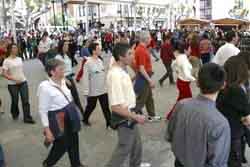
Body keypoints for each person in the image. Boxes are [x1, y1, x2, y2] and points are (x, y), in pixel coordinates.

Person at [167, 63, 231, 167]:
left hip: (178, 162)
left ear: (197, 82)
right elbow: (218, 163)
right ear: (223, 85)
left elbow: (170, 135)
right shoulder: (220, 123)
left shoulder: (181, 104)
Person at [106, 42, 150, 167]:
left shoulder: (121, 70)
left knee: (136, 144)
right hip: (124, 117)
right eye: (130, 54)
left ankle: (136, 164)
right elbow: (115, 107)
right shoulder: (115, 75)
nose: (133, 56)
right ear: (121, 57)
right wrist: (136, 117)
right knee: (124, 148)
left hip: (130, 113)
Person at [37, 59, 86, 167]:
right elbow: (42, 110)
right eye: (61, 69)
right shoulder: (45, 88)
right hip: (58, 117)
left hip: (70, 113)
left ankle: (76, 164)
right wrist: (47, 130)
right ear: (52, 72)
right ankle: (48, 163)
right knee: (62, 144)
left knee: (74, 139)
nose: (64, 71)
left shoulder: (63, 80)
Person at [216, 56, 250, 167]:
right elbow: (247, 117)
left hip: (222, 133)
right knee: (234, 162)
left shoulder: (222, 87)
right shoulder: (236, 90)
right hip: (234, 133)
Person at [2, 43, 35, 124]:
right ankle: (14, 112)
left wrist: (21, 78)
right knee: (15, 100)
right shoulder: (6, 61)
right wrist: (14, 79)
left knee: (25, 100)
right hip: (12, 84)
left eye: (16, 48)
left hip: (23, 82)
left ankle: (27, 117)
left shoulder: (20, 59)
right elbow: (4, 74)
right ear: (10, 49)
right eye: (13, 48)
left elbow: (20, 70)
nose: (15, 49)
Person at [82, 42, 111, 127]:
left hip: (103, 89)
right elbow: (85, 78)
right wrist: (86, 91)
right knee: (91, 106)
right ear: (93, 51)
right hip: (93, 91)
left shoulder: (100, 60)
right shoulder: (88, 63)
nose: (100, 50)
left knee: (105, 107)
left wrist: (107, 85)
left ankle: (109, 123)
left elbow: (103, 73)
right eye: (98, 49)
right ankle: (85, 119)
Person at [134, 31, 161, 122]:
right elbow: (141, 68)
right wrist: (149, 80)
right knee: (142, 100)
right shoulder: (141, 50)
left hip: (144, 76)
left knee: (149, 98)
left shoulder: (142, 48)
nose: (150, 39)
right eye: (149, 38)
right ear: (145, 39)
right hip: (144, 78)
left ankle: (152, 115)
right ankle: (130, 115)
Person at [55, 41, 85, 119]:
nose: (67, 46)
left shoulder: (67, 55)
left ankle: (83, 115)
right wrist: (65, 79)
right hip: (63, 80)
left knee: (76, 97)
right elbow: (57, 72)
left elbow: (69, 67)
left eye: (67, 45)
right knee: (66, 100)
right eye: (65, 45)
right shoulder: (58, 57)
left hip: (70, 78)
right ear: (61, 46)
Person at [166, 40, 196, 120]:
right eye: (189, 49)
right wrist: (196, 80)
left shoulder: (180, 57)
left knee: (180, 101)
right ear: (185, 50)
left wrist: (177, 71)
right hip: (184, 83)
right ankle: (187, 117)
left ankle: (170, 115)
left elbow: (173, 65)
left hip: (181, 82)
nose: (191, 50)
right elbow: (187, 74)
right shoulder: (184, 60)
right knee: (188, 101)